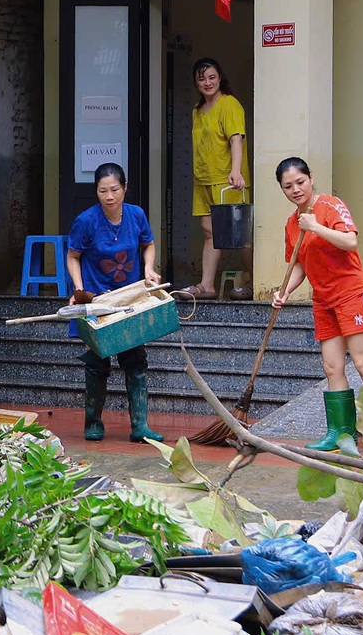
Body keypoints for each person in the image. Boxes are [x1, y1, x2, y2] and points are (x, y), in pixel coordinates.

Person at [270, 158, 363, 457]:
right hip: (323, 300)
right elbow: (299, 264)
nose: (295, 190)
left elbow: (350, 242)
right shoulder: (292, 224)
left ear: (311, 179)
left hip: (351, 293)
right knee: (331, 367)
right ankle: (342, 434)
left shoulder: (330, 206)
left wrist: (315, 226)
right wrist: (284, 292)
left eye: (300, 182)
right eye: (288, 187)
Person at [66, 162, 161, 443]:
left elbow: (149, 244)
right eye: (103, 190)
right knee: (97, 362)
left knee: (135, 361)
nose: (109, 196)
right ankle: (93, 422)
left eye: (115, 190)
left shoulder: (136, 215)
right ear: (96, 191)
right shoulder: (85, 221)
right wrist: (79, 288)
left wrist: (149, 269)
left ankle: (140, 426)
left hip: (129, 298)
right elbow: (73, 256)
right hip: (97, 300)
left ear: (125, 188)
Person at [180, 58, 247, 300]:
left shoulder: (229, 104)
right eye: (201, 78)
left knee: (238, 235)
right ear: (196, 82)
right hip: (204, 179)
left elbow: (235, 139)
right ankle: (207, 285)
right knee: (209, 232)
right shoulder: (197, 110)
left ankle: (253, 281)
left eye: (211, 77)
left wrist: (236, 171)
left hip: (227, 179)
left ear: (220, 78)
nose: (207, 82)